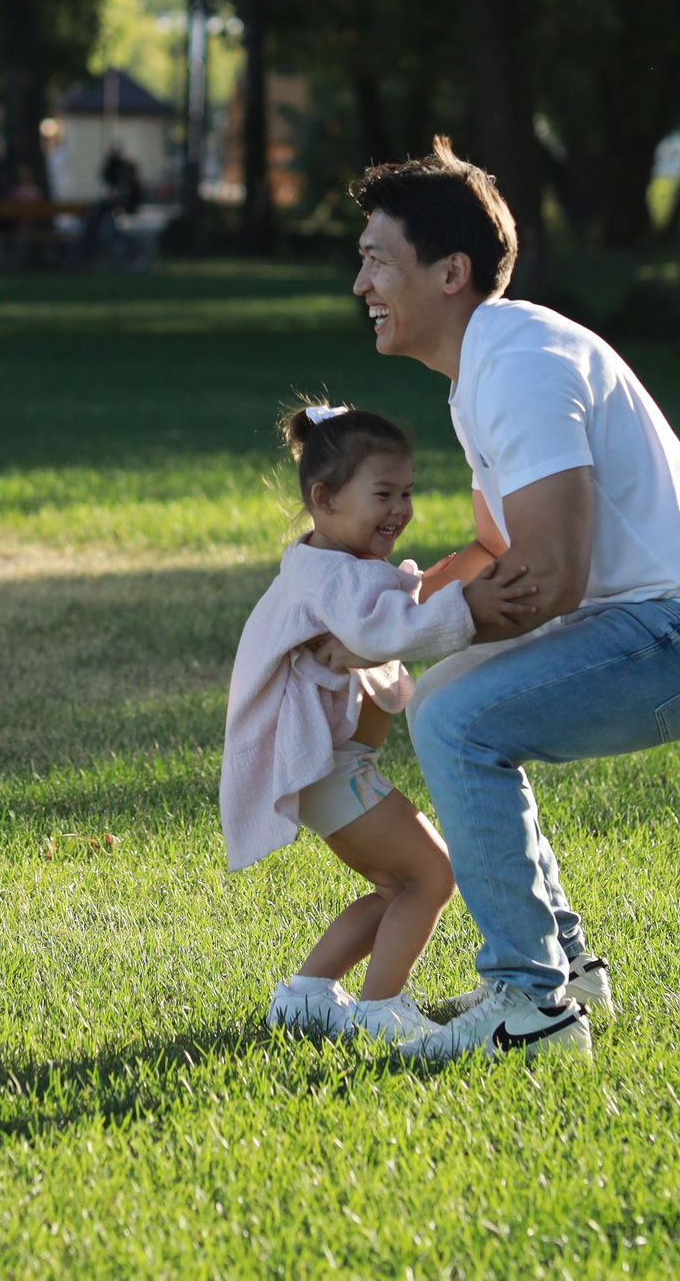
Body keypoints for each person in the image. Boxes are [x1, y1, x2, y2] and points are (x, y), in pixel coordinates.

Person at [346, 141, 680, 1064]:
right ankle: (567, 969)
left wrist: (410, 630)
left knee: (459, 720)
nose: (362, 284)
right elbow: (495, 551)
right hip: (671, 621)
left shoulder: (520, 364)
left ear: (451, 271)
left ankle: (533, 1004)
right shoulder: (486, 365)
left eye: (378, 259)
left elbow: (550, 577)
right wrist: (376, 618)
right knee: (444, 702)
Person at [223, 404, 512, 1045]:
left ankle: (305, 997)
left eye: (406, 492)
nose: (400, 509)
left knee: (394, 887)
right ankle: (381, 1011)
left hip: (331, 770)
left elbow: (405, 596)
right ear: (324, 499)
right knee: (432, 875)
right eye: (382, 494)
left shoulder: (328, 564)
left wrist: (473, 564)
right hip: (332, 770)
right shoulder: (336, 580)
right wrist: (473, 608)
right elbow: (389, 628)